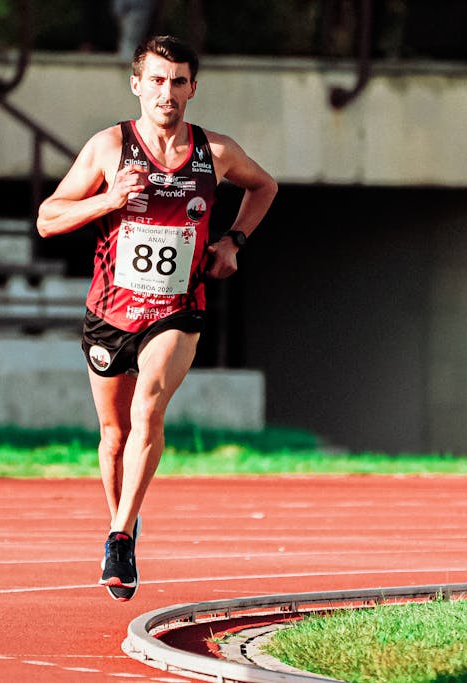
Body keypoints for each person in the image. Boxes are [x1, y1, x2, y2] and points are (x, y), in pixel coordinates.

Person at [36, 35, 277, 601]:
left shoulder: (214, 153)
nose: (167, 93)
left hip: (177, 308)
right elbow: (48, 217)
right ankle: (124, 515)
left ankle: (120, 539)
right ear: (137, 84)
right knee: (114, 435)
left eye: (179, 82)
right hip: (109, 312)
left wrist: (233, 241)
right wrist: (108, 199)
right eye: (157, 81)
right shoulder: (108, 148)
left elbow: (265, 186)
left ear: (193, 87)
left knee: (148, 409)